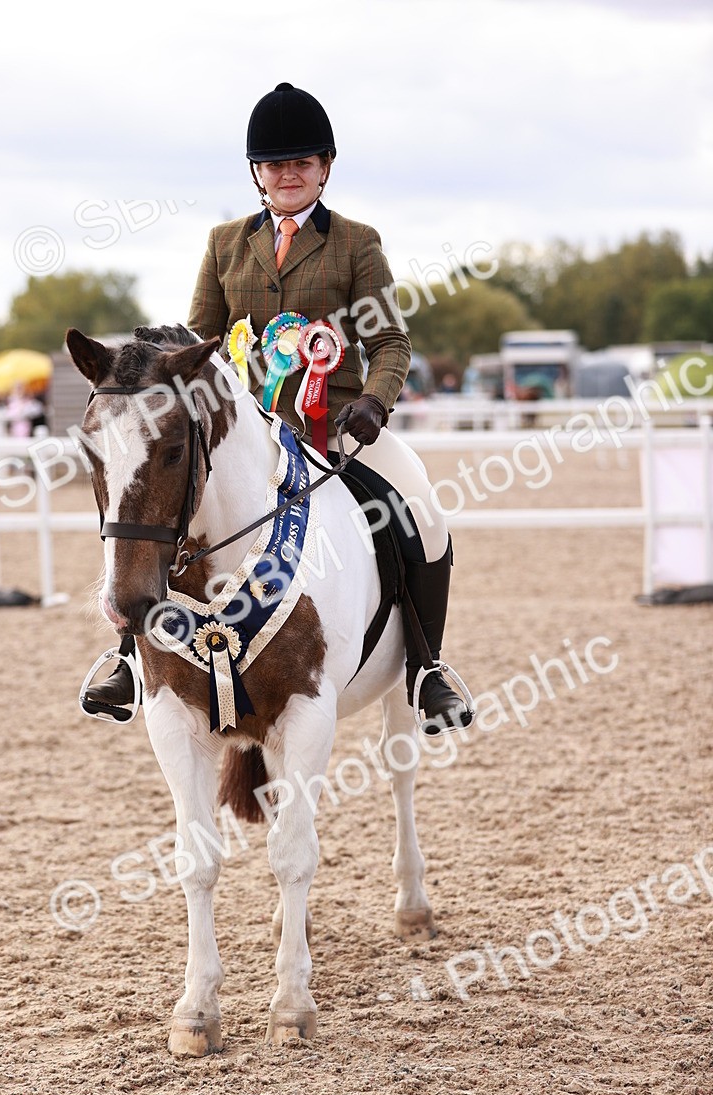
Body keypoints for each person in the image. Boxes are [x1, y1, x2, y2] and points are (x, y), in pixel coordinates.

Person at [83, 82, 471, 730]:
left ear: (325, 168)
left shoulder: (357, 242)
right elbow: (195, 344)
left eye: (303, 162)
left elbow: (391, 339)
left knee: (423, 509)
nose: (289, 174)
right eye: (276, 164)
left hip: (337, 430)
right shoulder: (223, 243)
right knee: (154, 502)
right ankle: (128, 654)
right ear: (258, 173)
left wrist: (374, 402)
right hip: (245, 436)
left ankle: (427, 666)